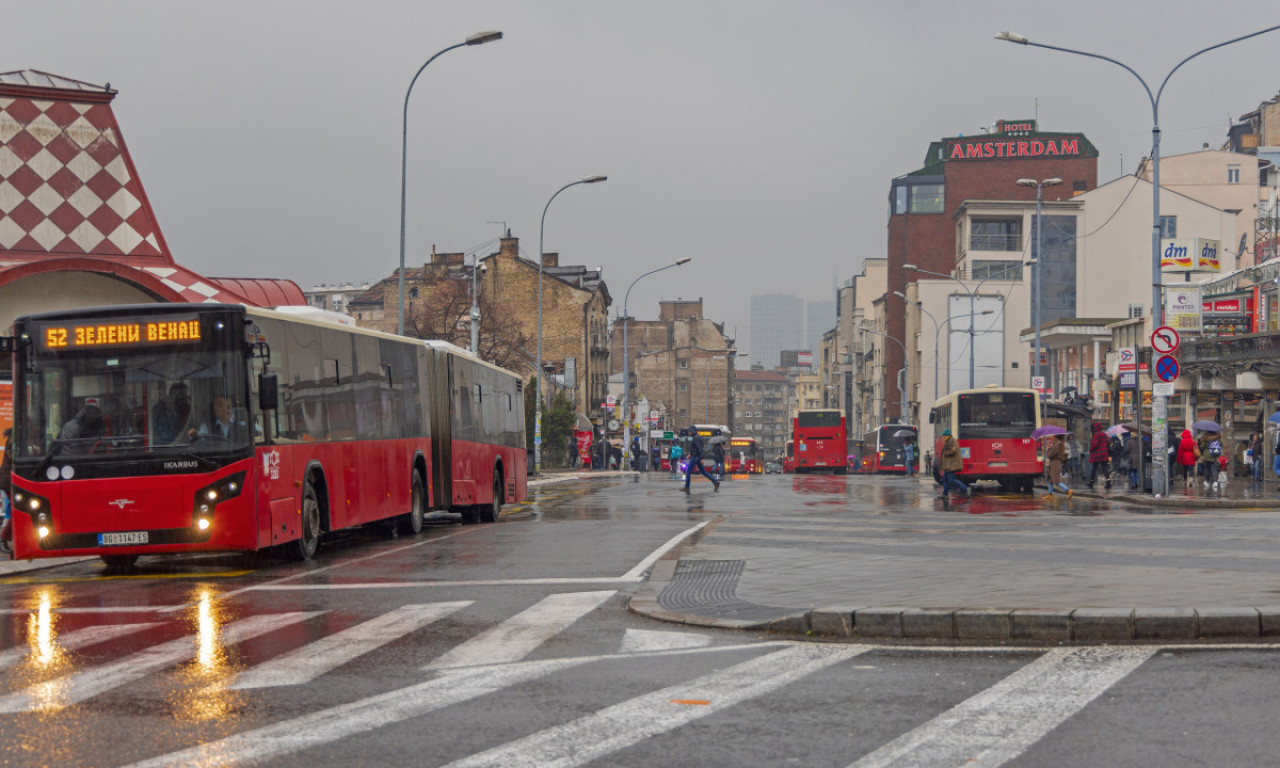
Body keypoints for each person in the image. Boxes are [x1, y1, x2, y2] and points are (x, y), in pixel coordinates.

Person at [681, 428, 719, 492]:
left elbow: (700, 448)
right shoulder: (697, 437)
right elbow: (695, 448)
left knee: (688, 471)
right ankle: (715, 482)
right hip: (696, 456)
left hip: (696, 457)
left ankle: (686, 487)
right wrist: (690, 454)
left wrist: (701, 458)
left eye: (689, 432)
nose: (689, 433)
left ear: (692, 431)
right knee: (703, 472)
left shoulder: (696, 438)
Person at [937, 429, 968, 506]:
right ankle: (945, 494)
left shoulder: (952, 441)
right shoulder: (948, 441)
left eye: (944, 435)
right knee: (945, 479)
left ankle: (966, 489)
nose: (943, 437)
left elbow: (953, 450)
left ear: (947, 435)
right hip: (948, 465)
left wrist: (946, 453)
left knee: (951, 480)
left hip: (951, 465)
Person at [1044, 433, 1071, 498]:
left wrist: (1048, 449)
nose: (1053, 436)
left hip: (1055, 464)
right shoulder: (1057, 444)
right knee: (1051, 479)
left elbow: (1049, 455)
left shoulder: (1057, 445)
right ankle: (1050, 494)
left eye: (1054, 435)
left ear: (1056, 437)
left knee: (1056, 481)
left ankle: (1068, 490)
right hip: (1053, 463)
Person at [1087, 422, 1111, 489]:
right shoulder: (1104, 434)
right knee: (1104, 468)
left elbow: (1094, 444)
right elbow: (1109, 441)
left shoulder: (1096, 435)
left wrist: (1091, 449)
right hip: (1104, 453)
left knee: (1094, 468)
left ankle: (1091, 483)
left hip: (1097, 454)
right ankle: (1108, 482)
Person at [0, 427, 12, 555]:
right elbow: (11, 455)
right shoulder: (14, 439)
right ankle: (3, 539)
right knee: (17, 511)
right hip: (8, 480)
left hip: (9, 479)